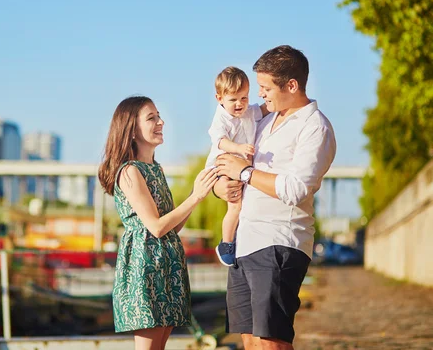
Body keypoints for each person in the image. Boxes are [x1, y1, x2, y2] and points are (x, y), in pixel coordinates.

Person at [214, 45, 336, 350]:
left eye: (266, 88)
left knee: (272, 343)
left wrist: (245, 173)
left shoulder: (315, 128)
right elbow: (225, 160)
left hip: (279, 242)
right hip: (245, 242)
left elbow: (295, 189)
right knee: (250, 342)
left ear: (291, 85)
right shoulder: (264, 120)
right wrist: (223, 186)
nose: (261, 95)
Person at [98, 95, 218, 350]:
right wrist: (195, 196)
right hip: (145, 267)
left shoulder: (156, 168)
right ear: (131, 129)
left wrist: (194, 198)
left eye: (158, 116)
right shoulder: (129, 171)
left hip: (168, 264)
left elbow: (172, 226)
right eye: (151, 118)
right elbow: (156, 226)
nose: (161, 122)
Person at [205, 66, 268, 267]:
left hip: (240, 167)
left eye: (244, 98)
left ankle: (238, 237)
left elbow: (264, 109)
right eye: (233, 100)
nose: (240, 104)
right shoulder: (221, 119)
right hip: (222, 165)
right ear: (219, 98)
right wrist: (238, 147)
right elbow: (220, 141)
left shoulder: (249, 112)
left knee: (243, 205)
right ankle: (226, 243)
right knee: (235, 205)